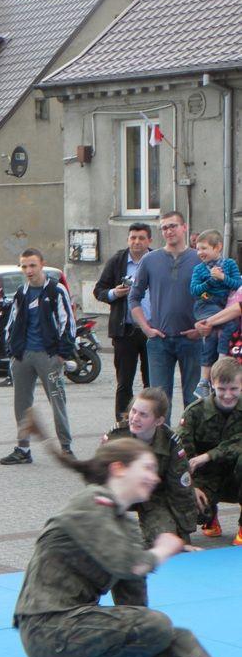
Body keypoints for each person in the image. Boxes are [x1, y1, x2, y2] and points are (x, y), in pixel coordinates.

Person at [14, 430, 242, 657]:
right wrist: (159, 551)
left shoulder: (126, 525)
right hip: (47, 631)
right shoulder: (90, 504)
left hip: (79, 627)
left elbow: (134, 602)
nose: (155, 478)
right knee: (157, 623)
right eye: (146, 468)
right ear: (119, 469)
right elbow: (125, 563)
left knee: (176, 637)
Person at [0, 248, 76, 465]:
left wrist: (61, 354)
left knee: (57, 400)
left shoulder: (55, 291)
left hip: (49, 355)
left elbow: (67, 322)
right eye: (24, 266)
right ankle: (23, 449)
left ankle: (66, 448)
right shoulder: (21, 293)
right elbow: (11, 323)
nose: (28, 270)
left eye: (32, 265)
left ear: (41, 264)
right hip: (23, 355)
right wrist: (12, 352)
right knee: (21, 403)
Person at [103, 388, 197, 544]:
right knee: (104, 541)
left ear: (159, 421)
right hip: (119, 494)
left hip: (153, 496)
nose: (135, 418)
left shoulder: (171, 443)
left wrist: (184, 533)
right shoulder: (116, 436)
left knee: (165, 540)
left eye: (143, 415)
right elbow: (97, 477)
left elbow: (180, 489)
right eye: (134, 411)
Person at [129, 211, 202, 413]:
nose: (169, 231)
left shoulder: (199, 259)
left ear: (184, 227)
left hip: (192, 340)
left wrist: (203, 327)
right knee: (159, 402)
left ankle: (192, 443)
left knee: (194, 400)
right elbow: (134, 297)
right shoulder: (150, 260)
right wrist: (145, 327)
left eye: (173, 226)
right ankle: (162, 443)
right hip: (159, 341)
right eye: (164, 228)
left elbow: (215, 296)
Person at [177, 357, 242, 543]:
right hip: (207, 478)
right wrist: (192, 487)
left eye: (234, 389)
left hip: (238, 476)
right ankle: (210, 516)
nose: (228, 395)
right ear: (212, 385)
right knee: (192, 508)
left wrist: (209, 455)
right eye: (222, 389)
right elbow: (182, 455)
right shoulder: (194, 413)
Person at [93, 223, 152, 422]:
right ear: (128, 240)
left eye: (141, 238)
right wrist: (114, 293)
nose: (136, 242)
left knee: (151, 383)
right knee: (124, 383)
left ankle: (152, 424)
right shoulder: (117, 261)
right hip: (124, 330)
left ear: (149, 241)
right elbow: (99, 290)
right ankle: (122, 424)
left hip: (151, 329)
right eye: (133, 237)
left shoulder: (157, 260)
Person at [190, 229, 242, 400]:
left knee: (214, 333)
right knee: (226, 325)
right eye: (198, 249)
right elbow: (194, 290)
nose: (200, 253)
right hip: (206, 304)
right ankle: (219, 363)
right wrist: (210, 281)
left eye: (204, 248)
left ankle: (207, 378)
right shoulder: (199, 269)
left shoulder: (229, 265)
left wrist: (221, 277)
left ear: (218, 247)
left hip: (221, 306)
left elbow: (236, 285)